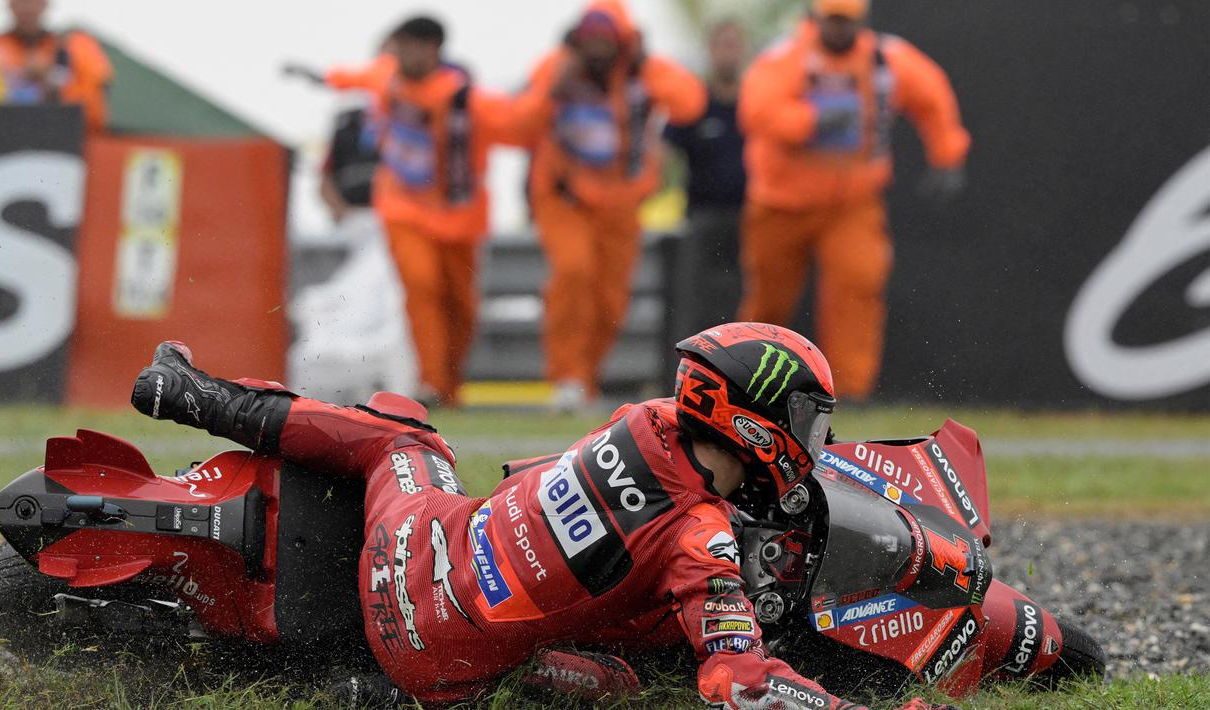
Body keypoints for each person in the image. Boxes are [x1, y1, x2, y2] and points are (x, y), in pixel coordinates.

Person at [131, 321, 1004, 709]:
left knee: (396, 430)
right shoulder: (702, 546)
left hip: (414, 539)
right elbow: (737, 683)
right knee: (629, 683)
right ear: (754, 421)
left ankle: (196, 392)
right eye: (807, 421)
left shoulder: (642, 423)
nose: (812, 439)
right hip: (434, 665)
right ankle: (370, 694)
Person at [737, 0, 970, 400]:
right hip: (781, 204)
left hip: (853, 205)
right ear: (815, 20)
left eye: (848, 22)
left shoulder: (885, 60)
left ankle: (849, 393)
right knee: (769, 300)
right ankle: (745, 383)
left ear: (862, 21)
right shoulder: (787, 56)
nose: (840, 30)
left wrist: (947, 154)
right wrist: (812, 121)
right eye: (833, 21)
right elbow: (757, 110)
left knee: (858, 286)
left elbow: (932, 96)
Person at [516, 0, 707, 412]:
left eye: (608, 40)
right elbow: (521, 122)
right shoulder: (557, 66)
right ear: (577, 41)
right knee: (573, 273)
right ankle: (566, 376)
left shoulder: (641, 72)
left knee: (611, 299)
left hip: (620, 203)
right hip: (565, 196)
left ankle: (586, 378)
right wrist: (555, 86)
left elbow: (690, 103)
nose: (599, 49)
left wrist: (647, 66)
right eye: (592, 40)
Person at [364, 16, 537, 407]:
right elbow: (357, 77)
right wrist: (323, 78)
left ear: (432, 49)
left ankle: (448, 386)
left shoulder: (466, 98)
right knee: (422, 287)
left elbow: (518, 125)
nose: (399, 55)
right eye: (396, 47)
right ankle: (430, 381)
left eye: (408, 47)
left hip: (459, 220)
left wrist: (546, 95)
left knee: (461, 305)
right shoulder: (387, 82)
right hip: (403, 208)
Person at [663, 19, 749, 348]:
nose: (728, 53)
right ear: (710, 52)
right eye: (721, 45)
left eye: (734, 44)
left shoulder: (757, 102)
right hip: (702, 215)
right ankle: (689, 374)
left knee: (746, 303)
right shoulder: (694, 101)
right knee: (694, 302)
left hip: (751, 217)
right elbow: (665, 154)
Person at [0, 0, 112, 132]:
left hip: (59, 139)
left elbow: (95, 116)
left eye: (33, 2)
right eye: (21, 2)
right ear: (9, 4)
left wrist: (50, 80)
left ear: (45, 4)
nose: (28, 9)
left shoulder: (74, 49)